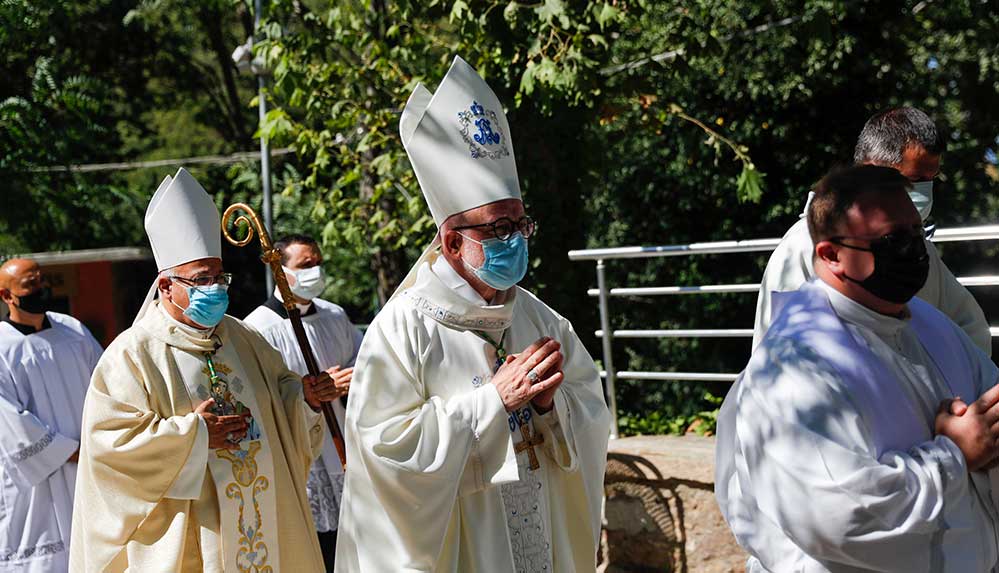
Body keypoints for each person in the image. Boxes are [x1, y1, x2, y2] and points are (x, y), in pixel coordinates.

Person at [334, 56, 611, 572]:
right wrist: (493, 403)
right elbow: (383, 455)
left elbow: (592, 420)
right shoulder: (402, 329)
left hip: (540, 539)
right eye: (496, 228)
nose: (513, 239)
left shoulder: (543, 321)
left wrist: (553, 409)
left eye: (519, 224)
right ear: (452, 241)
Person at [717, 165, 999, 572]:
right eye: (892, 239)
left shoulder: (929, 323)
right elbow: (838, 517)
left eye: (917, 232)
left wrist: (985, 443)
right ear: (831, 255)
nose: (914, 250)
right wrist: (954, 455)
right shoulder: (794, 367)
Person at [70, 168, 338, 572]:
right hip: (195, 535)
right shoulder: (132, 354)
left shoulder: (243, 338)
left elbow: (283, 400)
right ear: (165, 287)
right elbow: (110, 448)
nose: (215, 288)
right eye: (200, 280)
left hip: (263, 521)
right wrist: (193, 437)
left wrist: (305, 399)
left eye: (218, 276)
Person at [753, 107, 990, 355]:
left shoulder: (919, 246)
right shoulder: (802, 246)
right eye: (914, 179)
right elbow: (783, 355)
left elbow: (969, 327)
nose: (923, 191)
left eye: (931, 179)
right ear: (870, 168)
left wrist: (952, 382)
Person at [244, 233, 363, 571]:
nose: (316, 270)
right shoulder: (257, 329)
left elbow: (366, 362)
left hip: (344, 446)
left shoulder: (335, 315)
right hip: (302, 456)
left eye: (318, 263)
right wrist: (308, 393)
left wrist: (351, 382)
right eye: (306, 265)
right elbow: (261, 396)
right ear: (280, 270)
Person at [0, 258, 102, 572]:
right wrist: (69, 451)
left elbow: (107, 384)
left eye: (42, 281)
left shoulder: (72, 330)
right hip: (36, 482)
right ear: (7, 296)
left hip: (90, 464)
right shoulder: (2, 347)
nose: (41, 289)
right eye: (30, 285)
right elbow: (7, 418)